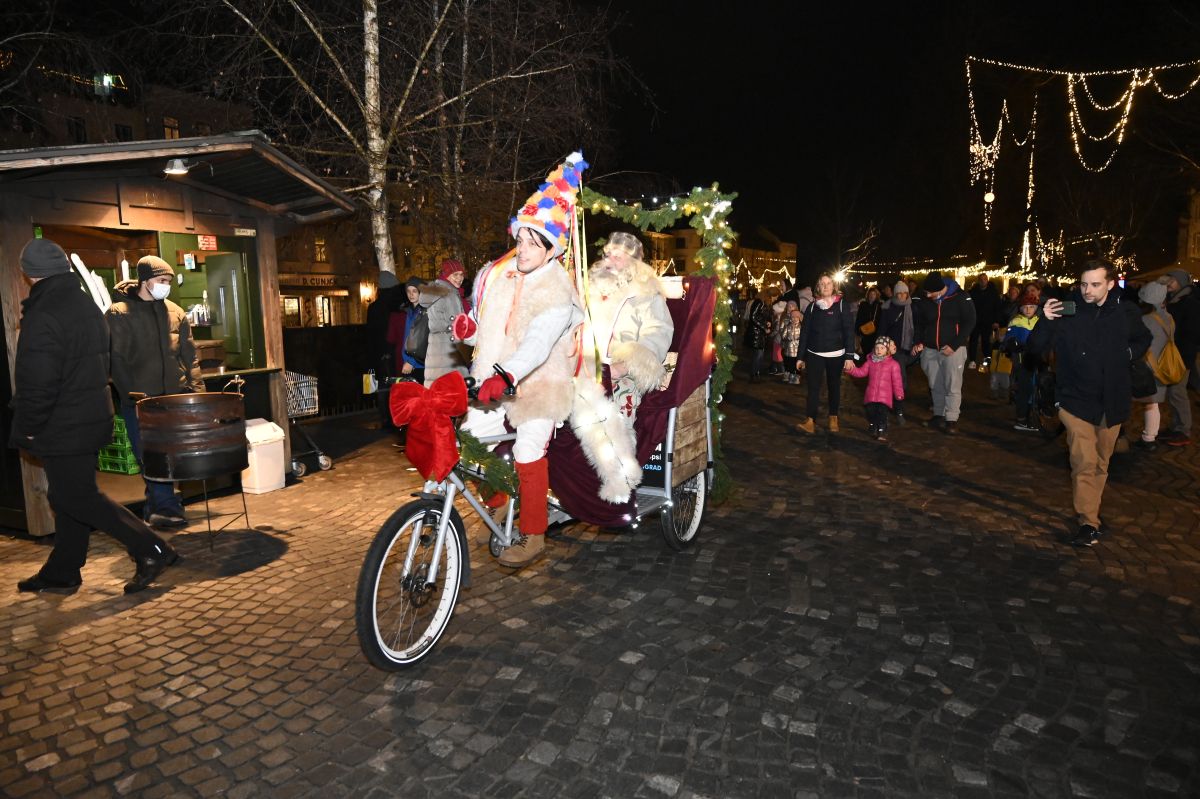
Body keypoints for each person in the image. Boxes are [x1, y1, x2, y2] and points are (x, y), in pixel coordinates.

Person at [11, 239, 177, 594]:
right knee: (68, 495)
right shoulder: (84, 304)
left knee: (76, 497)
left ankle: (152, 548)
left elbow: (38, 379)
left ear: (29, 274)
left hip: (63, 422)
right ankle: (63, 569)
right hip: (90, 416)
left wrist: (28, 426)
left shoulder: (44, 313)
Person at [452, 152, 587, 568]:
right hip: (499, 381)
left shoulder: (558, 290)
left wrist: (506, 373)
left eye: (533, 243)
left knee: (528, 449)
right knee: (467, 439)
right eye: (521, 239)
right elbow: (492, 328)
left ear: (550, 249)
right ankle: (498, 501)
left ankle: (533, 534)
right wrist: (468, 331)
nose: (523, 249)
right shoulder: (506, 278)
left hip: (540, 385)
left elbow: (538, 342)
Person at [1027, 259, 1152, 547]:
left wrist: (1128, 354)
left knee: (1100, 463)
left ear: (1110, 284)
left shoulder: (1125, 312)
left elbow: (1143, 338)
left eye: (1095, 284)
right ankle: (1088, 522)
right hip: (1074, 400)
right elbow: (1035, 349)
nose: (1087, 290)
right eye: (1084, 284)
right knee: (1084, 461)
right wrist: (1045, 320)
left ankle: (1091, 513)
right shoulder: (1066, 311)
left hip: (1112, 400)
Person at [107, 255, 204, 527]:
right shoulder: (118, 313)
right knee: (150, 455)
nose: (166, 286)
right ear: (145, 281)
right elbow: (116, 360)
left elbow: (190, 356)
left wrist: (197, 392)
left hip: (173, 398)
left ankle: (157, 508)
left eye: (169, 281)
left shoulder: (175, 312)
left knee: (169, 455)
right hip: (141, 401)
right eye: (161, 280)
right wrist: (132, 396)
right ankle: (168, 508)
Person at [912, 272, 975, 434]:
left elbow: (970, 321)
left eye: (930, 293)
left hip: (953, 350)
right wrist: (919, 341)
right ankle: (938, 415)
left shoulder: (961, 297)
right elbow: (920, 323)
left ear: (940, 289)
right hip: (930, 349)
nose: (927, 296)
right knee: (935, 384)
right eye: (926, 292)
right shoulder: (926, 300)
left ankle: (951, 419)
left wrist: (954, 345)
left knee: (952, 385)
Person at [795, 273, 855, 434]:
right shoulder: (812, 307)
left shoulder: (841, 305)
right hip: (814, 353)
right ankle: (810, 420)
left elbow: (849, 331)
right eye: (822, 284)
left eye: (828, 283)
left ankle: (833, 417)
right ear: (818, 287)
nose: (826, 286)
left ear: (833, 286)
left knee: (834, 386)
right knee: (813, 388)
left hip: (836, 354)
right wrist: (800, 357)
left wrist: (849, 356)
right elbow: (805, 333)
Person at [1157, 269, 1198, 446]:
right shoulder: (1173, 299)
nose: (1168, 282)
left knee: (1177, 393)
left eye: (1172, 280)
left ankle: (1183, 430)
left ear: (1180, 282)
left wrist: (1183, 354)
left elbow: (1192, 333)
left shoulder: (1189, 303)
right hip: (1173, 354)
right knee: (1173, 393)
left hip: (1182, 355)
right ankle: (1176, 427)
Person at [1134, 282, 1175, 452]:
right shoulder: (1169, 317)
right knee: (1153, 403)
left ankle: (1144, 438)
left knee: (1143, 402)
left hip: (1146, 366)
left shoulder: (1146, 319)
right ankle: (1150, 437)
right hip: (1162, 366)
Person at [419, 259, 470, 386]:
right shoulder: (449, 293)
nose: (459, 278)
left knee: (438, 389)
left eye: (461, 274)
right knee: (455, 389)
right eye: (455, 275)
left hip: (436, 349)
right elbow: (458, 326)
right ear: (446, 275)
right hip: (449, 351)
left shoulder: (438, 291)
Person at [845, 335, 904, 442]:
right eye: (877, 348)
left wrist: (898, 393)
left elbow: (897, 381)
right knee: (870, 411)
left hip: (885, 397)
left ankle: (882, 431)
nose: (879, 350)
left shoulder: (893, 364)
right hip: (871, 395)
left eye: (882, 348)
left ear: (887, 350)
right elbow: (861, 372)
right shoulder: (870, 362)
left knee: (882, 413)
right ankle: (873, 423)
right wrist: (851, 370)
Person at [366, 270, 405, 428]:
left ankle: (385, 418)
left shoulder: (374, 308)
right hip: (394, 351)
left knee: (382, 387)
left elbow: (371, 333)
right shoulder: (396, 307)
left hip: (378, 353)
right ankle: (396, 417)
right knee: (395, 385)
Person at [1002, 289, 1042, 432]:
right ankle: (1022, 419)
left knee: (1036, 388)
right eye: (1025, 307)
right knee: (1025, 389)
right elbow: (1008, 339)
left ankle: (1033, 414)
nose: (1028, 310)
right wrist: (1013, 344)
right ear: (1020, 308)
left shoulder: (1039, 321)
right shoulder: (1016, 321)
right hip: (1022, 361)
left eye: (1031, 307)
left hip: (1037, 360)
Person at [878, 280, 916, 423]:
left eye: (904, 293)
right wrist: (881, 347)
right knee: (889, 380)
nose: (902, 296)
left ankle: (898, 408)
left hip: (905, 349)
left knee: (900, 380)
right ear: (895, 294)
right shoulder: (888, 308)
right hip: (890, 350)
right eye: (899, 293)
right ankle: (890, 408)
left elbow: (916, 327)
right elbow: (882, 329)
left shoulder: (912, 307)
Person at [386, 276, 426, 384]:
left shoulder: (425, 311)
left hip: (420, 365)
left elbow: (423, 339)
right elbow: (407, 338)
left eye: (414, 291)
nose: (411, 294)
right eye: (408, 291)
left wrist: (412, 362)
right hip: (409, 363)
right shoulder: (409, 312)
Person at [967, 276, 1000, 371]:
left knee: (986, 342)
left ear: (987, 280)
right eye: (981, 279)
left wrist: (996, 320)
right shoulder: (973, 292)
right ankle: (972, 360)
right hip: (975, 320)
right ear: (978, 281)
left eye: (984, 279)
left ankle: (986, 361)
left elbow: (997, 307)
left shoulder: (993, 293)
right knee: (973, 340)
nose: (982, 281)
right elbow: (969, 306)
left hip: (987, 321)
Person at [743, 290, 770, 382]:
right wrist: (764, 327)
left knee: (758, 355)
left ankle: (755, 374)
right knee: (758, 355)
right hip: (757, 333)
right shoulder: (759, 302)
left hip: (757, 332)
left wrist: (766, 323)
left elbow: (758, 316)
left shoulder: (759, 302)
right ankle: (754, 375)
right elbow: (753, 317)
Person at [854, 286, 882, 355]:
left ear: (876, 295)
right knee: (864, 351)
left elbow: (880, 319)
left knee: (874, 352)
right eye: (870, 294)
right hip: (864, 332)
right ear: (868, 295)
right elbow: (859, 318)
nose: (872, 296)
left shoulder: (879, 306)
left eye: (874, 294)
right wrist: (858, 330)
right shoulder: (863, 305)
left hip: (875, 333)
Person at [780, 304, 803, 385]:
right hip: (789, 349)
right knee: (790, 363)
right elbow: (783, 336)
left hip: (798, 350)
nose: (794, 319)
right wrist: (787, 337)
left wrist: (798, 340)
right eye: (793, 317)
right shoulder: (788, 326)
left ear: (799, 318)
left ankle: (797, 376)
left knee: (797, 363)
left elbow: (803, 337)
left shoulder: (801, 327)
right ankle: (791, 374)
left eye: (796, 317)